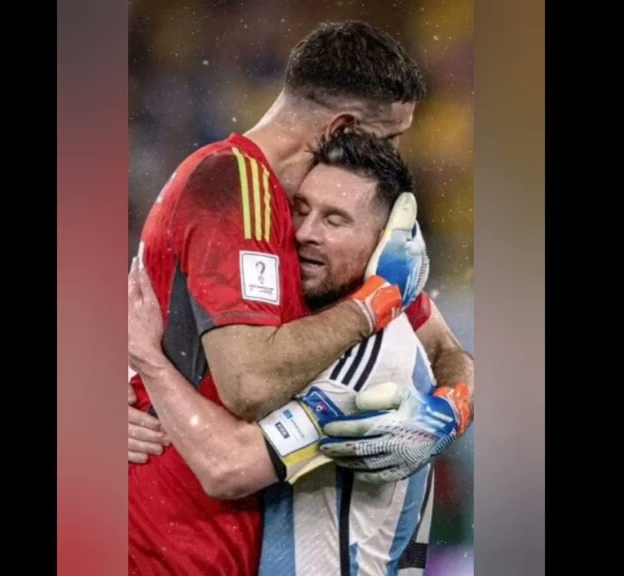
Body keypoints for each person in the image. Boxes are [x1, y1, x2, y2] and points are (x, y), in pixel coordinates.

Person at [127, 20, 474, 576]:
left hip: (220, 550)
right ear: (343, 127)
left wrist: (450, 410)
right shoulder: (230, 186)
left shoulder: (317, 225)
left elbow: (444, 346)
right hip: (158, 550)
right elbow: (249, 386)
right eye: (389, 139)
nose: (389, 158)